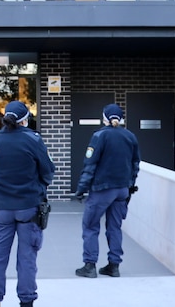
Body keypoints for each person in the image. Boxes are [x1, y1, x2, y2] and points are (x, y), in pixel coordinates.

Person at [0, 100, 55, 307]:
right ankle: (26, 301)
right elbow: (48, 172)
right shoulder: (34, 140)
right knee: (27, 259)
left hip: (1, 208)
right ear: (25, 119)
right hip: (29, 207)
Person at [73, 103, 140, 279]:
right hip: (122, 190)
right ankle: (114, 265)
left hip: (102, 190)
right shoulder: (130, 136)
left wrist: (80, 190)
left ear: (104, 117)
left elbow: (90, 165)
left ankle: (89, 266)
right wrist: (130, 186)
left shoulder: (99, 136)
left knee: (90, 225)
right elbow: (135, 165)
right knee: (114, 227)